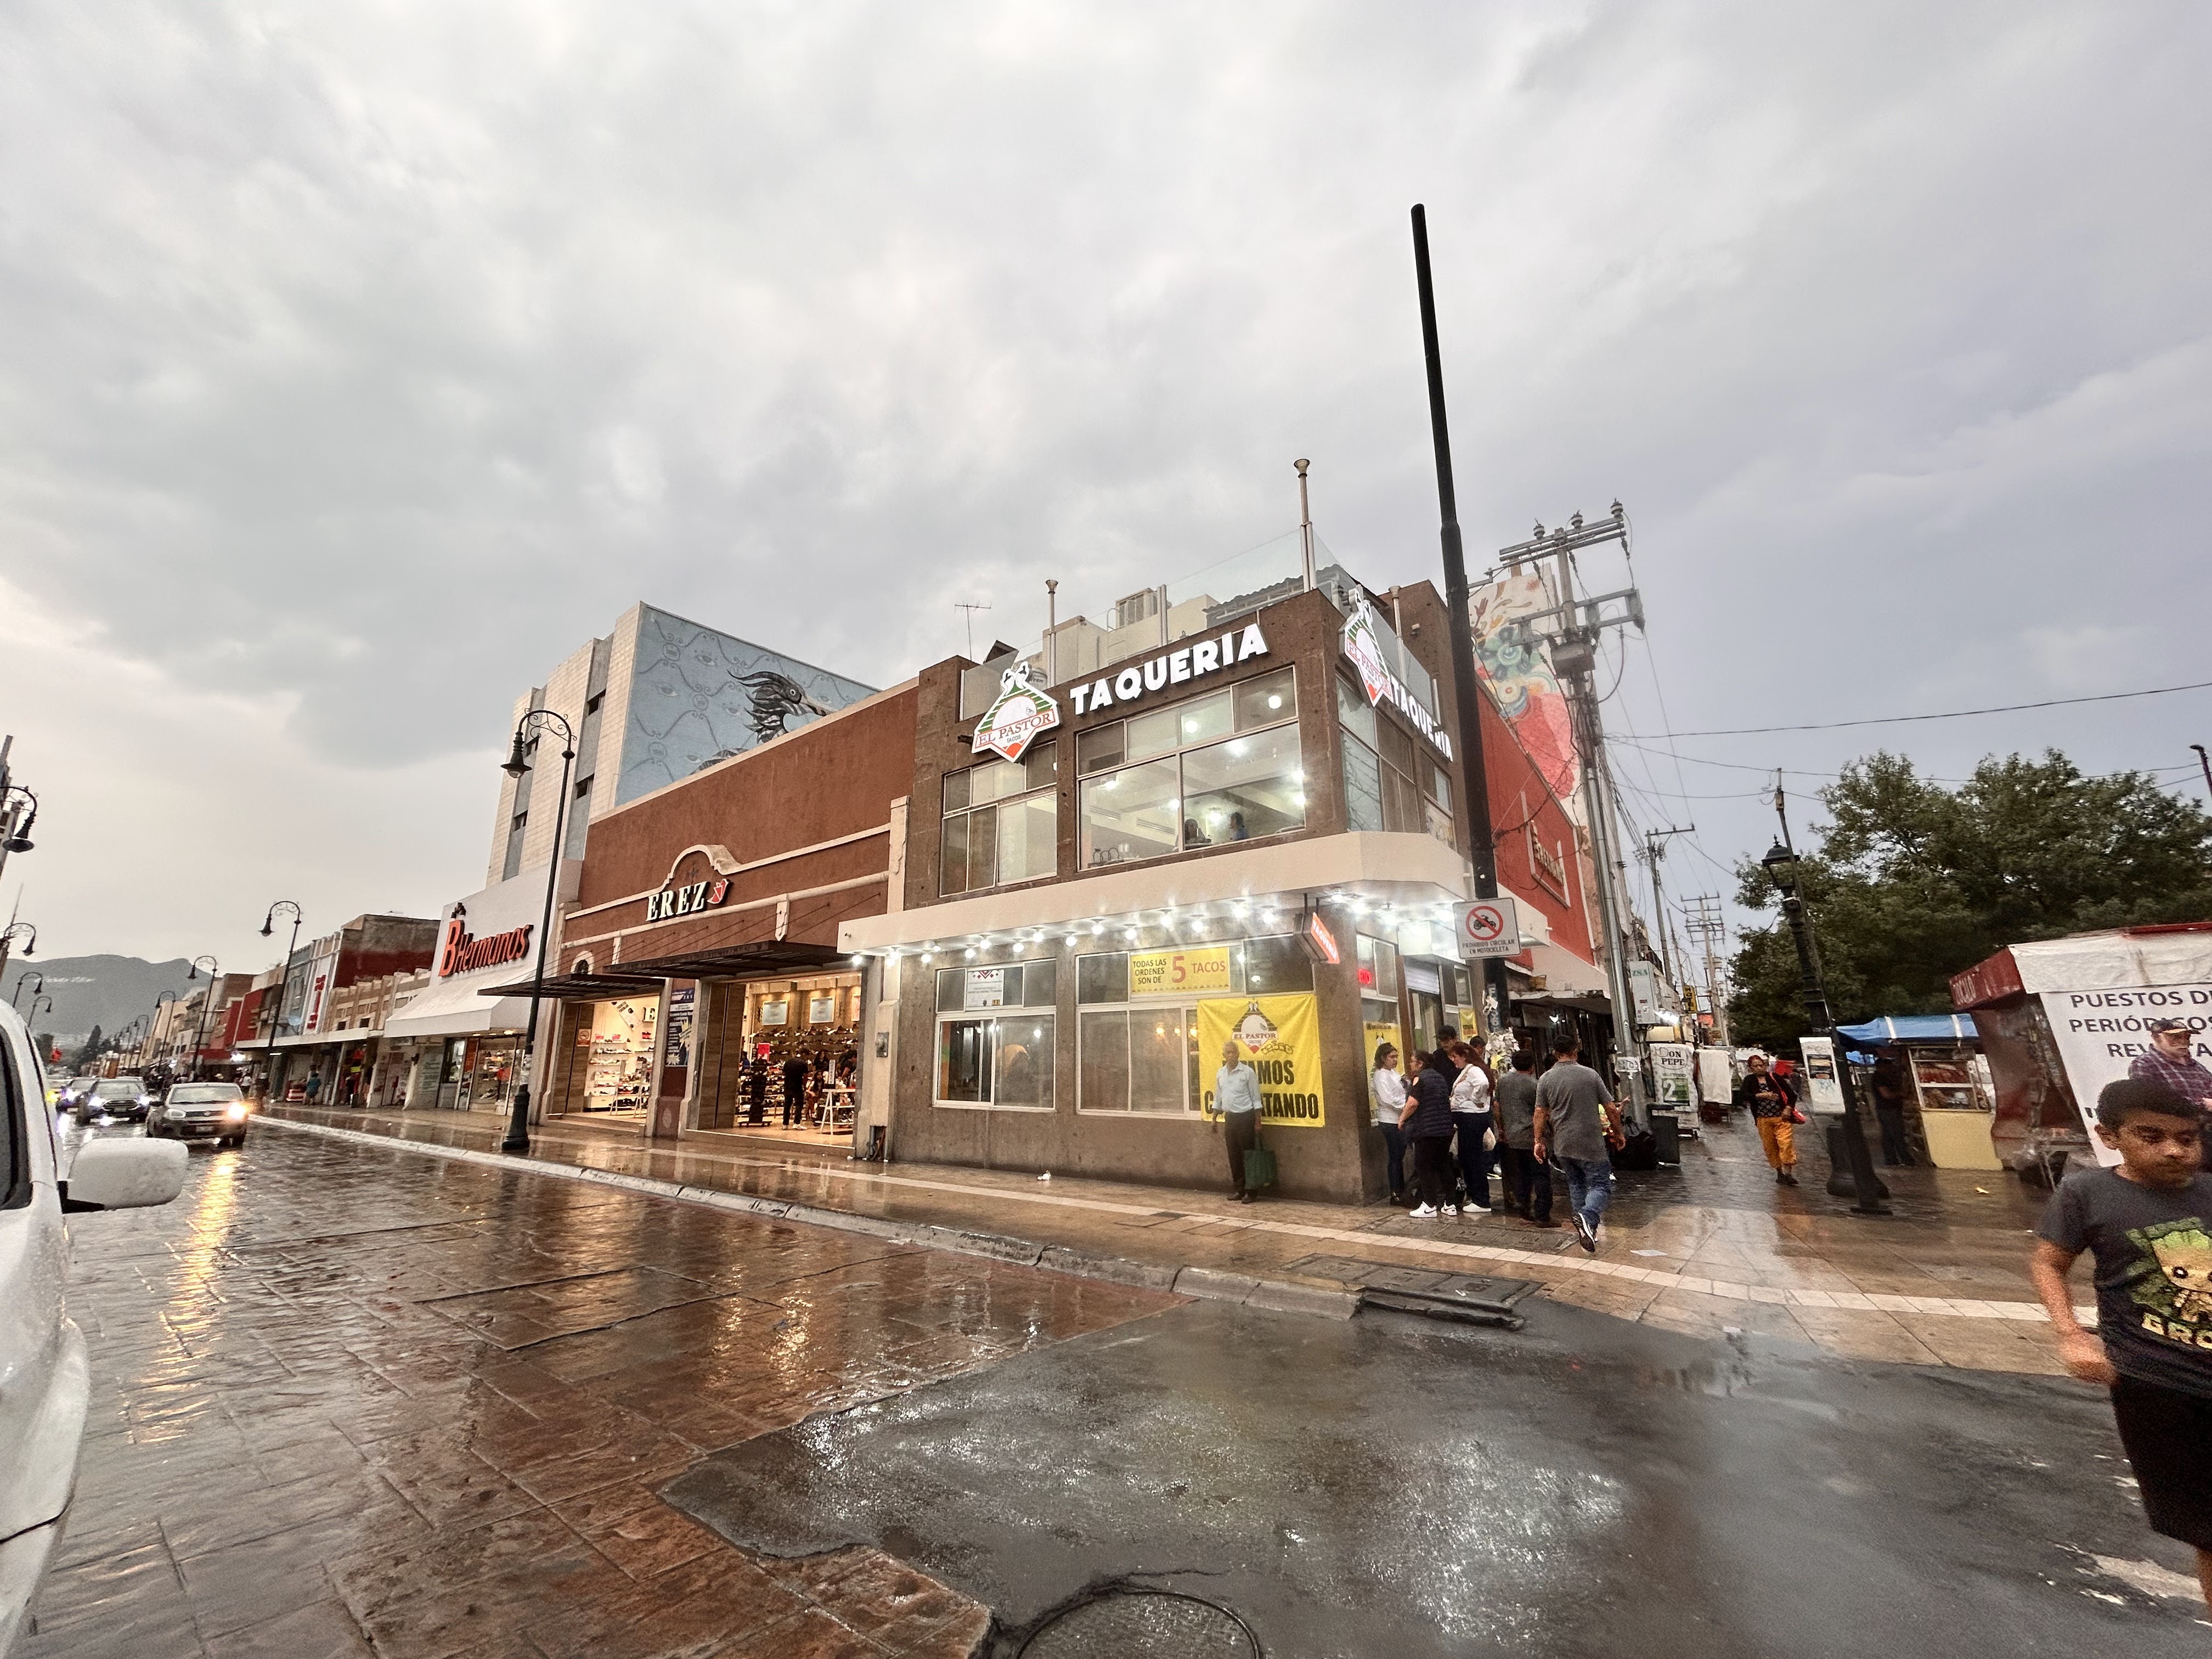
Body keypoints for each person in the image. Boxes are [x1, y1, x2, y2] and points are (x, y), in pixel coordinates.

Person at [2029, 1078, 2212, 1618]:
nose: (2175, 1150)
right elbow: (2048, 1262)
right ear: (2110, 1136)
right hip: (2162, 1388)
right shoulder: (2088, 1193)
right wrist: (2070, 1333)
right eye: (2151, 1137)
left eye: (2187, 1137)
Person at [1533, 1033, 1621, 1252]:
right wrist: (1619, 1133)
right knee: (1601, 1185)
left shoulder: (1545, 1079)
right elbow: (1610, 1107)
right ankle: (1587, 1216)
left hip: (1563, 1144)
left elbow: (1540, 1113)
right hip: (1589, 1142)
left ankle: (1587, 1231)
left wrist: (1538, 1140)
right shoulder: (1590, 1076)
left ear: (1555, 1053)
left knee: (1576, 1184)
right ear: (1576, 1050)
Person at [1495, 1050, 1556, 1227]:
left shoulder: (1504, 1082)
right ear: (1532, 1066)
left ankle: (1524, 1210)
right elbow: (1543, 1112)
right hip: (1533, 1138)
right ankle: (1543, 1215)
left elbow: (1497, 1106)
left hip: (1512, 1138)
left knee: (1521, 1175)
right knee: (1541, 1175)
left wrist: (1502, 1128)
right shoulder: (1535, 1085)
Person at [1402, 1048, 1462, 1218]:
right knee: (1443, 1165)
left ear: (1420, 1063)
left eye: (1413, 1061)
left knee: (1424, 1166)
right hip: (1444, 1130)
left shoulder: (1420, 1079)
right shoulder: (1439, 1078)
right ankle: (1450, 1204)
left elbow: (1413, 1103)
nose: (1410, 1064)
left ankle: (1429, 1204)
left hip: (1427, 1130)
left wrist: (1402, 1119)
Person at [1735, 1053, 1799, 1187]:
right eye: (1755, 1066)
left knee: (1785, 1144)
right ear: (1751, 1068)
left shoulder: (1775, 1078)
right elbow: (1742, 1096)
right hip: (1763, 1120)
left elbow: (1791, 1095)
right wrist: (1760, 1095)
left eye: (1761, 1065)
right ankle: (1779, 1172)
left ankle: (1789, 1173)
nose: (1759, 1068)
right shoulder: (1749, 1080)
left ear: (1765, 1065)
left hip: (1781, 1118)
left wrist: (1788, 1108)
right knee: (1770, 1147)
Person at [2131, 1018, 2212, 1119]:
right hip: (2177, 1129)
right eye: (2175, 1037)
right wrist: (2203, 1104)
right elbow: (2150, 1100)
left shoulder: (2195, 1065)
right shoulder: (2144, 1064)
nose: (2184, 1042)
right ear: (2156, 1038)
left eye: (2187, 1037)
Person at [1448, 1041, 1494, 1215]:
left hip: (1471, 1119)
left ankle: (1481, 1200)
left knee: (1472, 1159)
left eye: (1455, 1057)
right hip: (1468, 1118)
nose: (1454, 1061)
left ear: (1464, 1055)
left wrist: (1474, 1100)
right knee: (1468, 1158)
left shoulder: (1474, 1070)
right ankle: (1477, 1196)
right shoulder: (1469, 1070)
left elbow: (1482, 1084)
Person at [1215, 1039, 1264, 1202]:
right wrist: (1214, 1118)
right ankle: (1239, 1189)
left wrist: (1257, 1122)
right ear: (1224, 1056)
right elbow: (1219, 1097)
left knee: (1248, 1156)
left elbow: (1256, 1098)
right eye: (1228, 1053)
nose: (1231, 1055)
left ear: (1238, 1054)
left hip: (1245, 1117)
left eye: (1234, 1052)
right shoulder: (1221, 1073)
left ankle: (1251, 1192)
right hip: (1230, 1119)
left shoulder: (1248, 1073)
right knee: (1233, 1155)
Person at [1372, 1041, 1410, 1206]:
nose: (1395, 1060)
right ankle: (1395, 1191)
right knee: (1395, 1156)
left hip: (1400, 1118)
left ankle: (1401, 1188)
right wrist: (1406, 1107)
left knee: (1399, 1156)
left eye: (1396, 1057)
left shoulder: (1393, 1073)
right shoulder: (1380, 1075)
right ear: (1383, 1058)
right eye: (1392, 1057)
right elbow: (1388, 1099)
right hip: (1390, 1120)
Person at [1871, 1048, 1915, 1166]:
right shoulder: (1880, 1078)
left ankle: (1891, 1159)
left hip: (1886, 1109)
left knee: (1888, 1136)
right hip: (1888, 1110)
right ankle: (1905, 1159)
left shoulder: (1880, 1077)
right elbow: (1886, 1095)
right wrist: (1900, 1094)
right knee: (1896, 1134)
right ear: (1882, 1067)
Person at [781, 1052, 809, 1127]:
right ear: (804, 1055)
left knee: (787, 1105)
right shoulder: (803, 1063)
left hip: (788, 1085)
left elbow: (783, 1073)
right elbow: (805, 1076)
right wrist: (804, 1085)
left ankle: (785, 1124)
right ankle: (797, 1123)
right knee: (799, 1104)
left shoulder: (788, 1061)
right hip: (797, 1085)